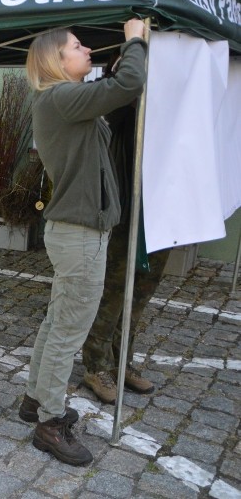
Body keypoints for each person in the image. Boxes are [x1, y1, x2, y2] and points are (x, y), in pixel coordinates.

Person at [19, 19, 147, 466]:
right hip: (80, 235)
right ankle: (50, 424)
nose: (86, 49)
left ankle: (35, 400)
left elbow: (112, 94)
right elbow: (130, 83)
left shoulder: (65, 102)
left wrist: (114, 67)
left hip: (75, 232)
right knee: (68, 332)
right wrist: (134, 41)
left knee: (57, 322)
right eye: (77, 46)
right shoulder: (62, 98)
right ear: (57, 59)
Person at [80, 52, 170, 404]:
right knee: (114, 292)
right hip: (127, 211)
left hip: (162, 210)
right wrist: (128, 71)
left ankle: (122, 362)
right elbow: (112, 103)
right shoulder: (119, 100)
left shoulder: (175, 105)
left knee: (141, 294)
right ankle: (96, 366)